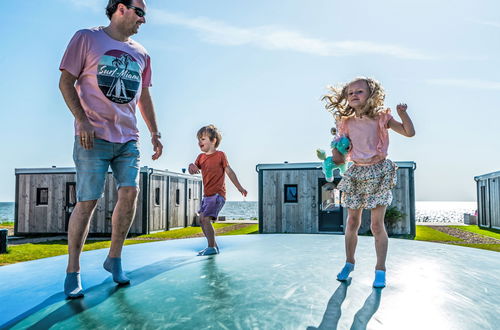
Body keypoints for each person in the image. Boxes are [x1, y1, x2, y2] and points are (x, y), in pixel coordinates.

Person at [59, 0, 163, 299]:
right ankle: (73, 271)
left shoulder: (142, 53)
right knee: (88, 201)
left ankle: (114, 258)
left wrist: (155, 133)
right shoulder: (87, 37)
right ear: (121, 8)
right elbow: (66, 82)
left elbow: (144, 96)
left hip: (128, 137)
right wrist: (82, 121)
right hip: (93, 136)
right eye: (140, 12)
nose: (143, 20)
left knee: (130, 192)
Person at [322, 77, 415, 288]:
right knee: (352, 222)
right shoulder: (345, 122)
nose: (354, 95)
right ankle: (349, 262)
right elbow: (340, 156)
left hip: (379, 170)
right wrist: (333, 157)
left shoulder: (382, 118)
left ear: (371, 95)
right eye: (350, 92)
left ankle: (380, 269)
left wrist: (403, 114)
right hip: (356, 173)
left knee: (375, 224)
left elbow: (409, 133)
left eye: (359, 91)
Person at [188, 125, 247, 256]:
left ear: (213, 141)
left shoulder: (220, 155)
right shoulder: (200, 157)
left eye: (203, 139)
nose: (200, 142)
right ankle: (213, 246)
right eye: (199, 140)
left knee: (205, 219)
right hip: (207, 196)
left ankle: (211, 247)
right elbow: (193, 170)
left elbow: (229, 172)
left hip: (217, 195)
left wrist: (240, 187)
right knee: (202, 220)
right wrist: (190, 166)